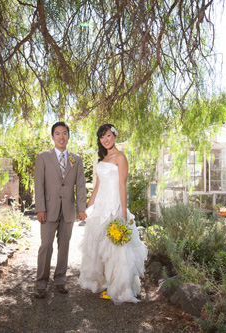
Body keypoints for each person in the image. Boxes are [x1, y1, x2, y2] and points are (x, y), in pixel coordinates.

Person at [78, 124, 147, 304]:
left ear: (115, 136)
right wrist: (88, 208)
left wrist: (123, 212)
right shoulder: (104, 158)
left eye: (108, 135)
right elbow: (97, 186)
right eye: (102, 137)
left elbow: (122, 186)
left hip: (114, 205)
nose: (105, 140)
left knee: (116, 249)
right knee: (99, 246)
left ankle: (120, 288)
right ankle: (106, 282)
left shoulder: (121, 157)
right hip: (101, 206)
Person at [34, 121, 87, 299]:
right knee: (46, 246)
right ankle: (41, 283)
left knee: (64, 246)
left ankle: (60, 280)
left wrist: (81, 208)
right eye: (57, 133)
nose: (61, 137)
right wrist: (40, 208)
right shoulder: (43, 157)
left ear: (68, 136)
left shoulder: (76, 159)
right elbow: (38, 184)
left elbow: (80, 186)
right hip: (48, 210)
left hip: (68, 210)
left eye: (64, 133)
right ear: (52, 136)